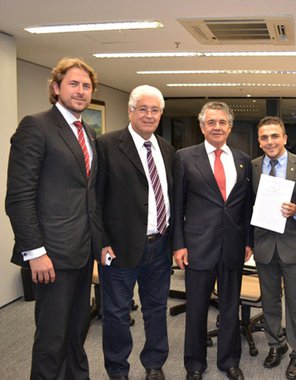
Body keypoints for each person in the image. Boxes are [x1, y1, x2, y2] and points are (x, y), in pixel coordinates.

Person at [5, 57, 101, 379]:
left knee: (77, 331)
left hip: (82, 252)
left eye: (86, 86)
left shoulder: (87, 131)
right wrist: (35, 252)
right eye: (73, 84)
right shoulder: (36, 125)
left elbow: (88, 195)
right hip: (51, 255)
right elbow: (19, 197)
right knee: (51, 338)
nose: (81, 91)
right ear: (56, 87)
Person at [96, 85, 175, 380]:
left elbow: (171, 197)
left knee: (156, 309)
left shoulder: (166, 149)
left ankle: (154, 363)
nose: (149, 115)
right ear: (130, 111)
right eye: (143, 109)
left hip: (160, 245)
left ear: (161, 114)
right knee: (116, 314)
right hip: (119, 247)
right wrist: (101, 242)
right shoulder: (105, 145)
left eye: (155, 110)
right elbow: (94, 199)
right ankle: (118, 370)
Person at [172, 102, 253, 380]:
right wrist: (179, 244)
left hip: (233, 245)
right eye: (211, 122)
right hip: (197, 246)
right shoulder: (184, 158)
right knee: (196, 307)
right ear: (202, 126)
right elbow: (177, 205)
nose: (217, 127)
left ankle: (229, 360)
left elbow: (246, 207)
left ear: (230, 126)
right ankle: (194, 364)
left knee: (230, 307)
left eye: (222, 122)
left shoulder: (243, 159)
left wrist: (248, 242)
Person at [251, 116, 296, 379]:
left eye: (275, 136)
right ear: (259, 141)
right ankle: (276, 344)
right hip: (264, 245)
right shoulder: (253, 167)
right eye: (264, 138)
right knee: (270, 302)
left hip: (295, 246)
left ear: (285, 138)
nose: (270, 142)